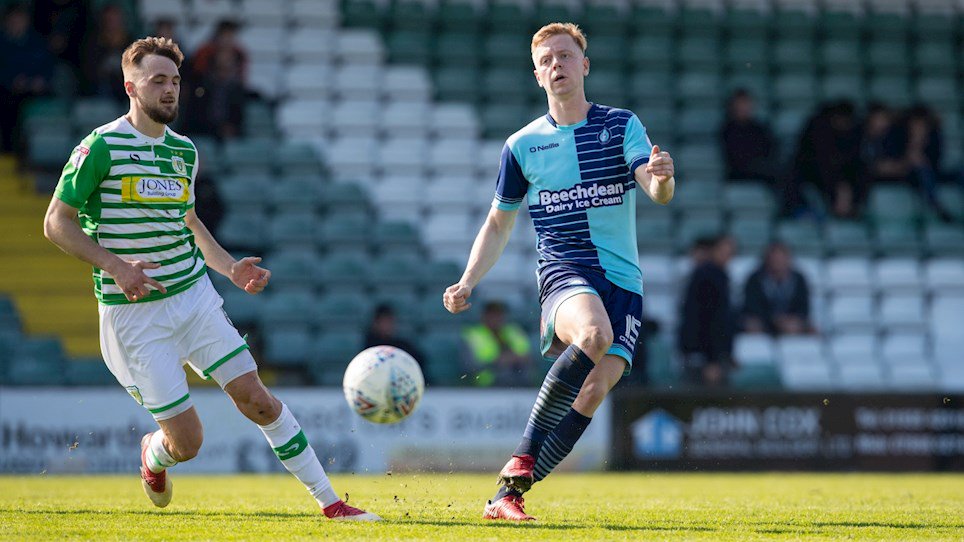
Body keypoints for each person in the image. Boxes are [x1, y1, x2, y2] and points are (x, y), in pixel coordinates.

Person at [42, 36, 378, 521]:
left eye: (175, 81)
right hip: (134, 319)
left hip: (194, 299)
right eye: (158, 81)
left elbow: (190, 221)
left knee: (258, 400)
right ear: (130, 87)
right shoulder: (101, 146)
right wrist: (115, 266)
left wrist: (229, 267)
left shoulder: (184, 151)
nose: (170, 90)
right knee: (189, 442)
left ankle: (332, 504)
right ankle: (154, 454)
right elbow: (56, 222)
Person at [442, 23, 675, 521]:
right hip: (565, 272)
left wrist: (661, 180)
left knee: (592, 392)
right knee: (592, 335)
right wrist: (468, 280)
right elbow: (498, 223)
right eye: (546, 60)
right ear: (537, 75)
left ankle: (506, 497)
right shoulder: (522, 145)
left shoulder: (621, 125)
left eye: (565, 56)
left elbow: (653, 188)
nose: (557, 65)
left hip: (624, 283)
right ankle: (524, 452)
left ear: (584, 65)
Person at [876, 105, 954, 222]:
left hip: (931, 172)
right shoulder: (899, 136)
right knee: (922, 171)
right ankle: (936, 206)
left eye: (922, 124)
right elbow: (893, 163)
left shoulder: (933, 137)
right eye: (915, 123)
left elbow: (937, 161)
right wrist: (911, 153)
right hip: (908, 174)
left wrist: (921, 151)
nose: (918, 127)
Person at [785, 101, 862, 219]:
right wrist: (839, 189)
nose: (844, 125)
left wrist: (844, 188)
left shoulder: (852, 136)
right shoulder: (817, 132)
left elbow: (852, 162)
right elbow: (822, 163)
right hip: (810, 178)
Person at [677, 234, 737, 387]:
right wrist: (713, 358)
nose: (727, 256)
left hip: (705, 352)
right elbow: (708, 319)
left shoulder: (712, 274)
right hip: (704, 354)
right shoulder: (709, 276)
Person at [0, 3, 54, 154]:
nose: (16, 24)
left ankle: (37, 153)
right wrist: (12, 81)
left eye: (20, 20)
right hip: (7, 93)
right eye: (13, 20)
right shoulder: (2, 44)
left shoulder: (37, 42)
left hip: (35, 92)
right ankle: (9, 153)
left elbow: (49, 67)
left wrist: (40, 81)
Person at [742, 242, 813, 336]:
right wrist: (774, 319)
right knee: (752, 325)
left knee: (807, 328)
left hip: (789, 321)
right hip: (763, 321)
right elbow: (751, 306)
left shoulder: (798, 279)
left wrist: (791, 319)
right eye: (774, 259)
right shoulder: (755, 279)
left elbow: (803, 306)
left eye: (781, 259)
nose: (777, 262)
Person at [460, 300, 533, 387]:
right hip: (486, 386)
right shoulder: (472, 335)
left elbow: (529, 358)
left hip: (519, 383)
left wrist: (514, 359)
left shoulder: (514, 331)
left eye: (499, 314)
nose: (495, 318)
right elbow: (468, 367)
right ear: (484, 316)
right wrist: (496, 362)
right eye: (492, 314)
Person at [720, 89, 777, 182]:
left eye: (745, 103)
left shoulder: (760, 129)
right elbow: (735, 158)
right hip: (738, 176)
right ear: (733, 106)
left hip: (763, 174)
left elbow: (771, 151)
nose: (743, 108)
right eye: (740, 104)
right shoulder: (727, 130)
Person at [81, 3, 131, 102]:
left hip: (124, 90)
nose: (111, 24)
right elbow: (88, 70)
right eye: (108, 20)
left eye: (115, 20)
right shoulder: (93, 43)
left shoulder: (130, 43)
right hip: (98, 89)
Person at [364, 303, 427, 377]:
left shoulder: (402, 345)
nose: (388, 325)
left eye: (390, 321)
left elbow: (420, 361)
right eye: (384, 321)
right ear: (376, 323)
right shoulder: (369, 349)